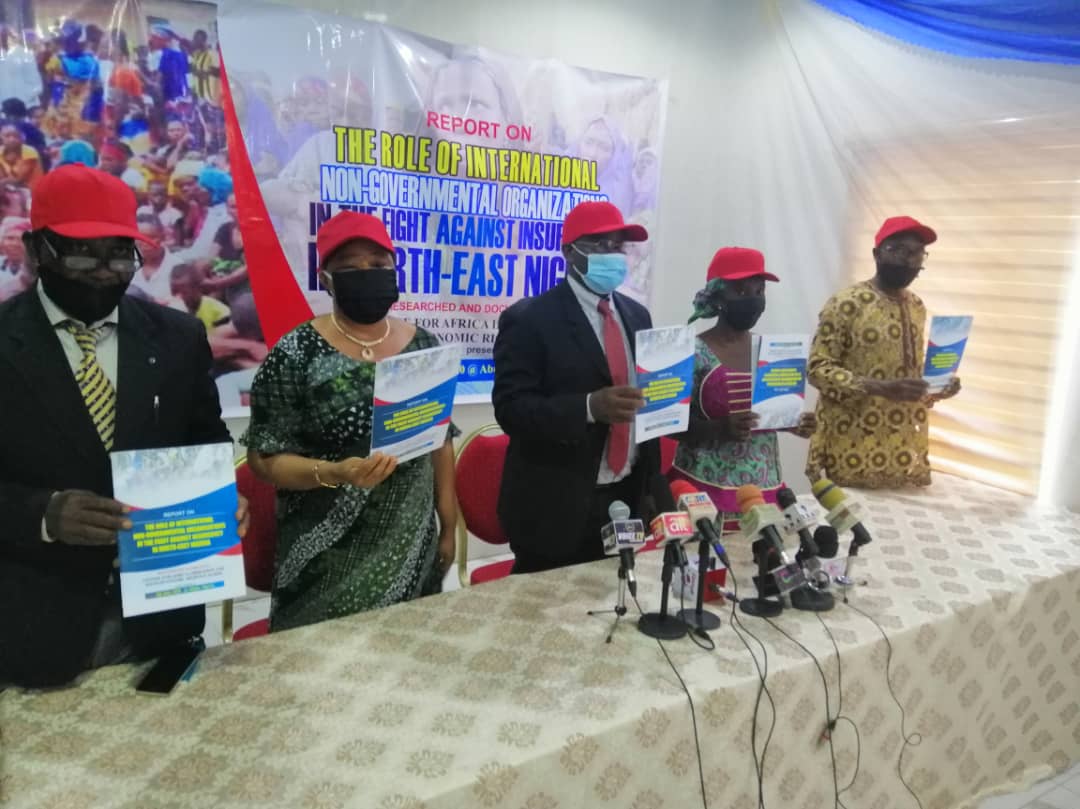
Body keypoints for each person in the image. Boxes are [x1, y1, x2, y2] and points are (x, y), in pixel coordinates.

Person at [0, 165, 248, 689]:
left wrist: (223, 495)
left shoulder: (178, 338)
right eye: (81, 253)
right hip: (33, 628)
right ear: (36, 249)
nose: (103, 271)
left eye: (119, 253)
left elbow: (204, 440)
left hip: (162, 625)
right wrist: (42, 514)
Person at [243, 212, 457, 631]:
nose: (367, 274)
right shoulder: (296, 354)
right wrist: (335, 473)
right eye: (350, 268)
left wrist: (448, 526)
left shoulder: (424, 347)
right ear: (325, 278)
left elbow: (441, 440)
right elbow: (263, 460)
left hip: (413, 552)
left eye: (378, 264)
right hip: (326, 568)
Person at [493, 201, 659, 573]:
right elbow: (511, 409)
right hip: (555, 508)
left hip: (626, 497)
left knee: (618, 598)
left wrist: (651, 486)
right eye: (600, 245)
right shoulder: (529, 320)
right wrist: (587, 407)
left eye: (618, 246)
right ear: (569, 252)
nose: (612, 255)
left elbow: (647, 405)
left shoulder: (638, 316)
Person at [806, 216, 961, 489]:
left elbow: (910, 378)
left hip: (903, 448)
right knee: (850, 516)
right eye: (898, 250)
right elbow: (818, 369)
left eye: (916, 253)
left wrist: (937, 388)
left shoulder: (917, 306)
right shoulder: (846, 303)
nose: (907, 260)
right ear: (877, 254)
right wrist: (879, 387)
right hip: (853, 445)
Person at [669, 247, 815, 529]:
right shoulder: (688, 351)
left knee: (764, 554)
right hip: (703, 490)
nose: (753, 299)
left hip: (765, 489)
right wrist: (718, 429)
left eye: (759, 291)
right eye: (741, 291)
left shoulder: (772, 352)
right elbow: (666, 423)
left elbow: (768, 412)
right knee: (706, 557)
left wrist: (794, 423)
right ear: (717, 296)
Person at [127, 214, 179, 302]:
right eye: (139, 237)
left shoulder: (177, 266)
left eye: (150, 237)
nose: (144, 242)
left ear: (163, 237)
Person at [168, 261, 230, 331]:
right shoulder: (168, 311)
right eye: (174, 292)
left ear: (197, 289)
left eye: (184, 292)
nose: (179, 297)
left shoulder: (220, 313)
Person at [1, 98, 49, 170]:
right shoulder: (29, 127)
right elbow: (42, 148)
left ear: (5, 113)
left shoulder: (2, 125)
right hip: (31, 165)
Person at [0, 121, 43, 190]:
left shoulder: (29, 152)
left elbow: (20, 179)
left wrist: (4, 182)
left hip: (30, 189)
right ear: (1, 137)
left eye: (15, 136)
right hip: (8, 189)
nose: (12, 139)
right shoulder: (1, 152)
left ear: (21, 137)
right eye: (7, 136)